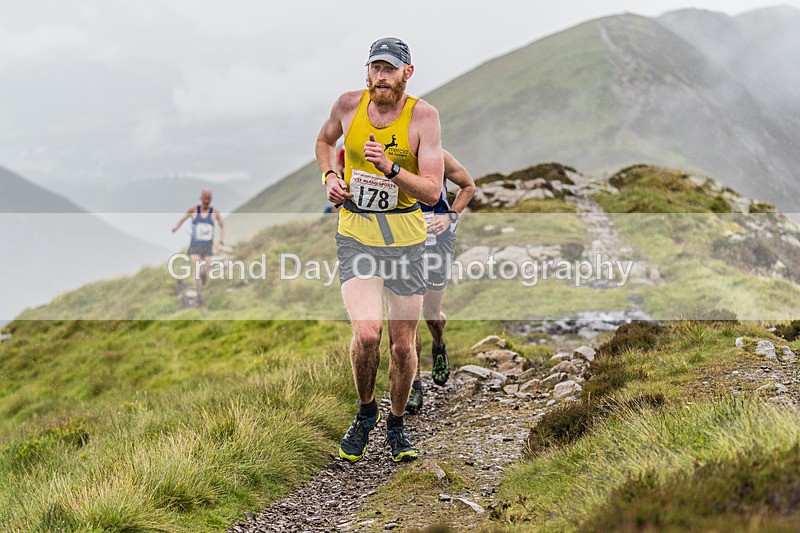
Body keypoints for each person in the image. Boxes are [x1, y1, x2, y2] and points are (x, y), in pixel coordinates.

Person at [315, 37, 443, 462]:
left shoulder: (423, 117)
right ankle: (367, 411)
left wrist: (390, 169)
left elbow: (431, 191)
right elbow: (322, 143)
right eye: (376, 68)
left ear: (407, 73)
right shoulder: (348, 106)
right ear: (366, 71)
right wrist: (330, 176)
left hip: (406, 241)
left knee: (403, 347)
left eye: (390, 69)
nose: (381, 77)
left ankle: (397, 424)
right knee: (368, 334)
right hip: (356, 236)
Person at [406, 150, 475, 414]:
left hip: (438, 244)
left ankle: (438, 346)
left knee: (431, 315)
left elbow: (468, 186)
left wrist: (450, 216)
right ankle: (414, 385)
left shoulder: (439, 156)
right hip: (403, 245)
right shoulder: (390, 159)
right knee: (407, 318)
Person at [171, 189, 225, 307]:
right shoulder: (194, 210)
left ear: (211, 199)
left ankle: (204, 278)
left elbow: (222, 225)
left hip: (207, 246)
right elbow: (182, 219)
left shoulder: (214, 212)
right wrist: (176, 227)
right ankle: (198, 297)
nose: (206, 201)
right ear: (200, 198)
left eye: (208, 198)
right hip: (195, 245)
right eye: (205, 198)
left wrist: (221, 242)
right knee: (197, 269)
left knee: (204, 270)